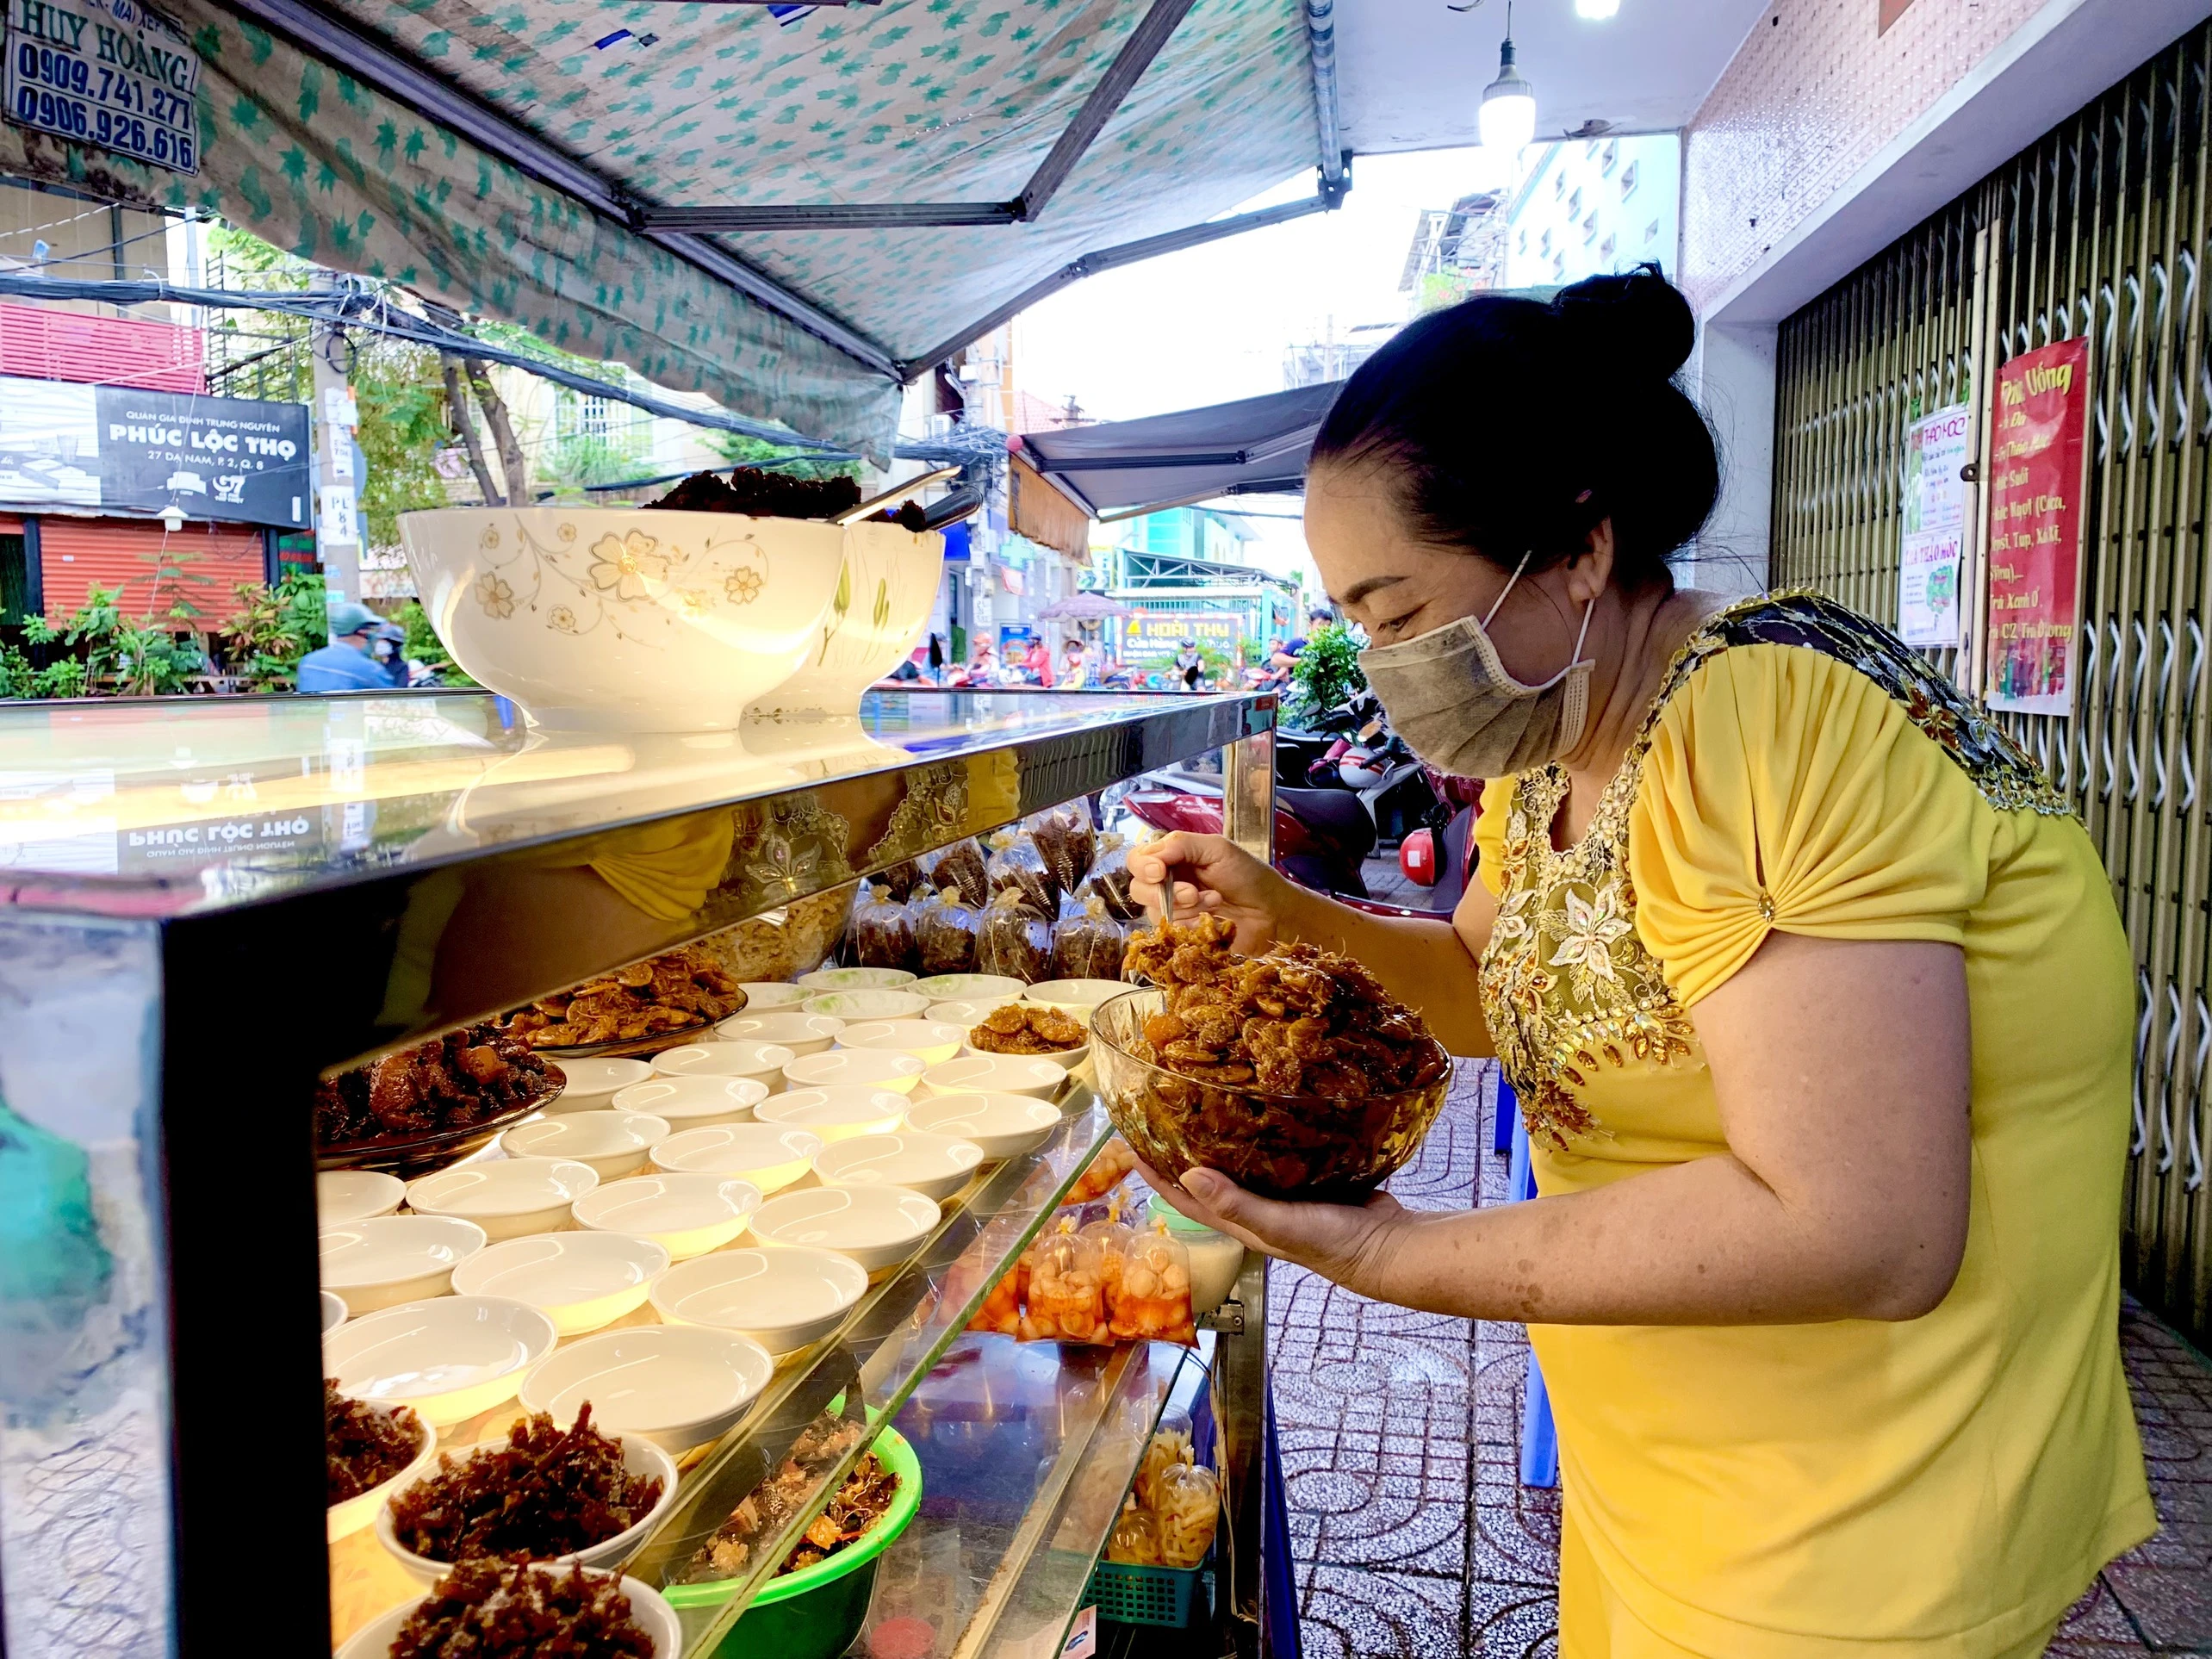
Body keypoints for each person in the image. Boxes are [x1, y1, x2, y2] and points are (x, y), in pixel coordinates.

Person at [1130, 266, 2151, 1658]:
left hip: (1846, 1545)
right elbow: (1492, 995)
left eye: (1395, 609)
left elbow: (1864, 1225)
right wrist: (1284, 911)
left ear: (1577, 548)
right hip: (1663, 1484)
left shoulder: (1763, 721)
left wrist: (1400, 1256)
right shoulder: (1553, 753)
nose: (1376, 663)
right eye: (1354, 624)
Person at [298, 602, 403, 693]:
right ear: (363, 632)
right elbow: (392, 706)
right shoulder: (370, 670)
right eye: (370, 629)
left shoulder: (308, 662)